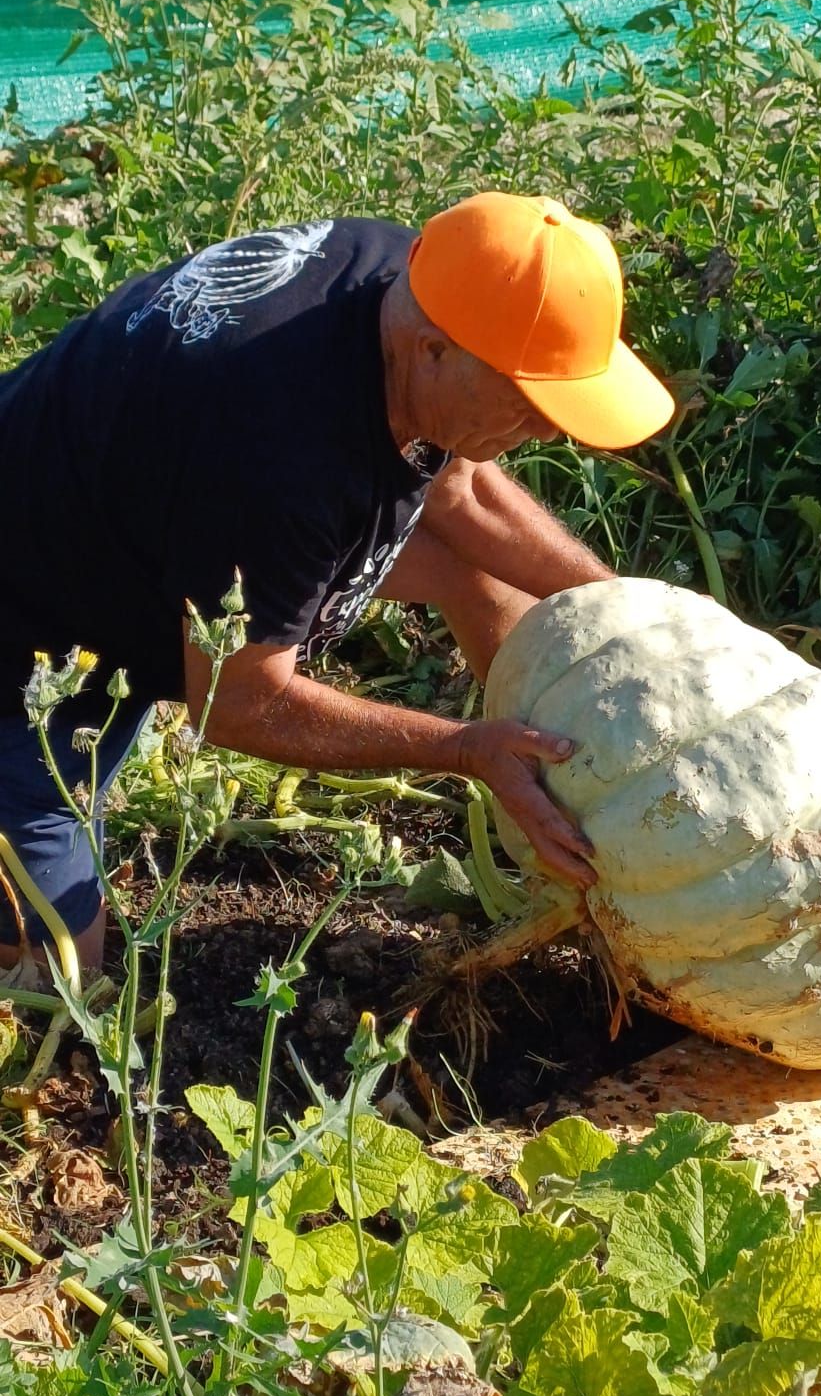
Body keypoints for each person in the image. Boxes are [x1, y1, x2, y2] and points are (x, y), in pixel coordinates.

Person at [0, 190, 674, 973]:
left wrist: (634, 610)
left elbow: (459, 490)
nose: (550, 429)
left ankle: (558, 811)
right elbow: (242, 705)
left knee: (472, 570)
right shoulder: (279, 462)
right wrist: (463, 748)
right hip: (28, 636)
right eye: (529, 402)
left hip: (128, 530)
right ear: (433, 351)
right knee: (54, 977)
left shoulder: (420, 280)